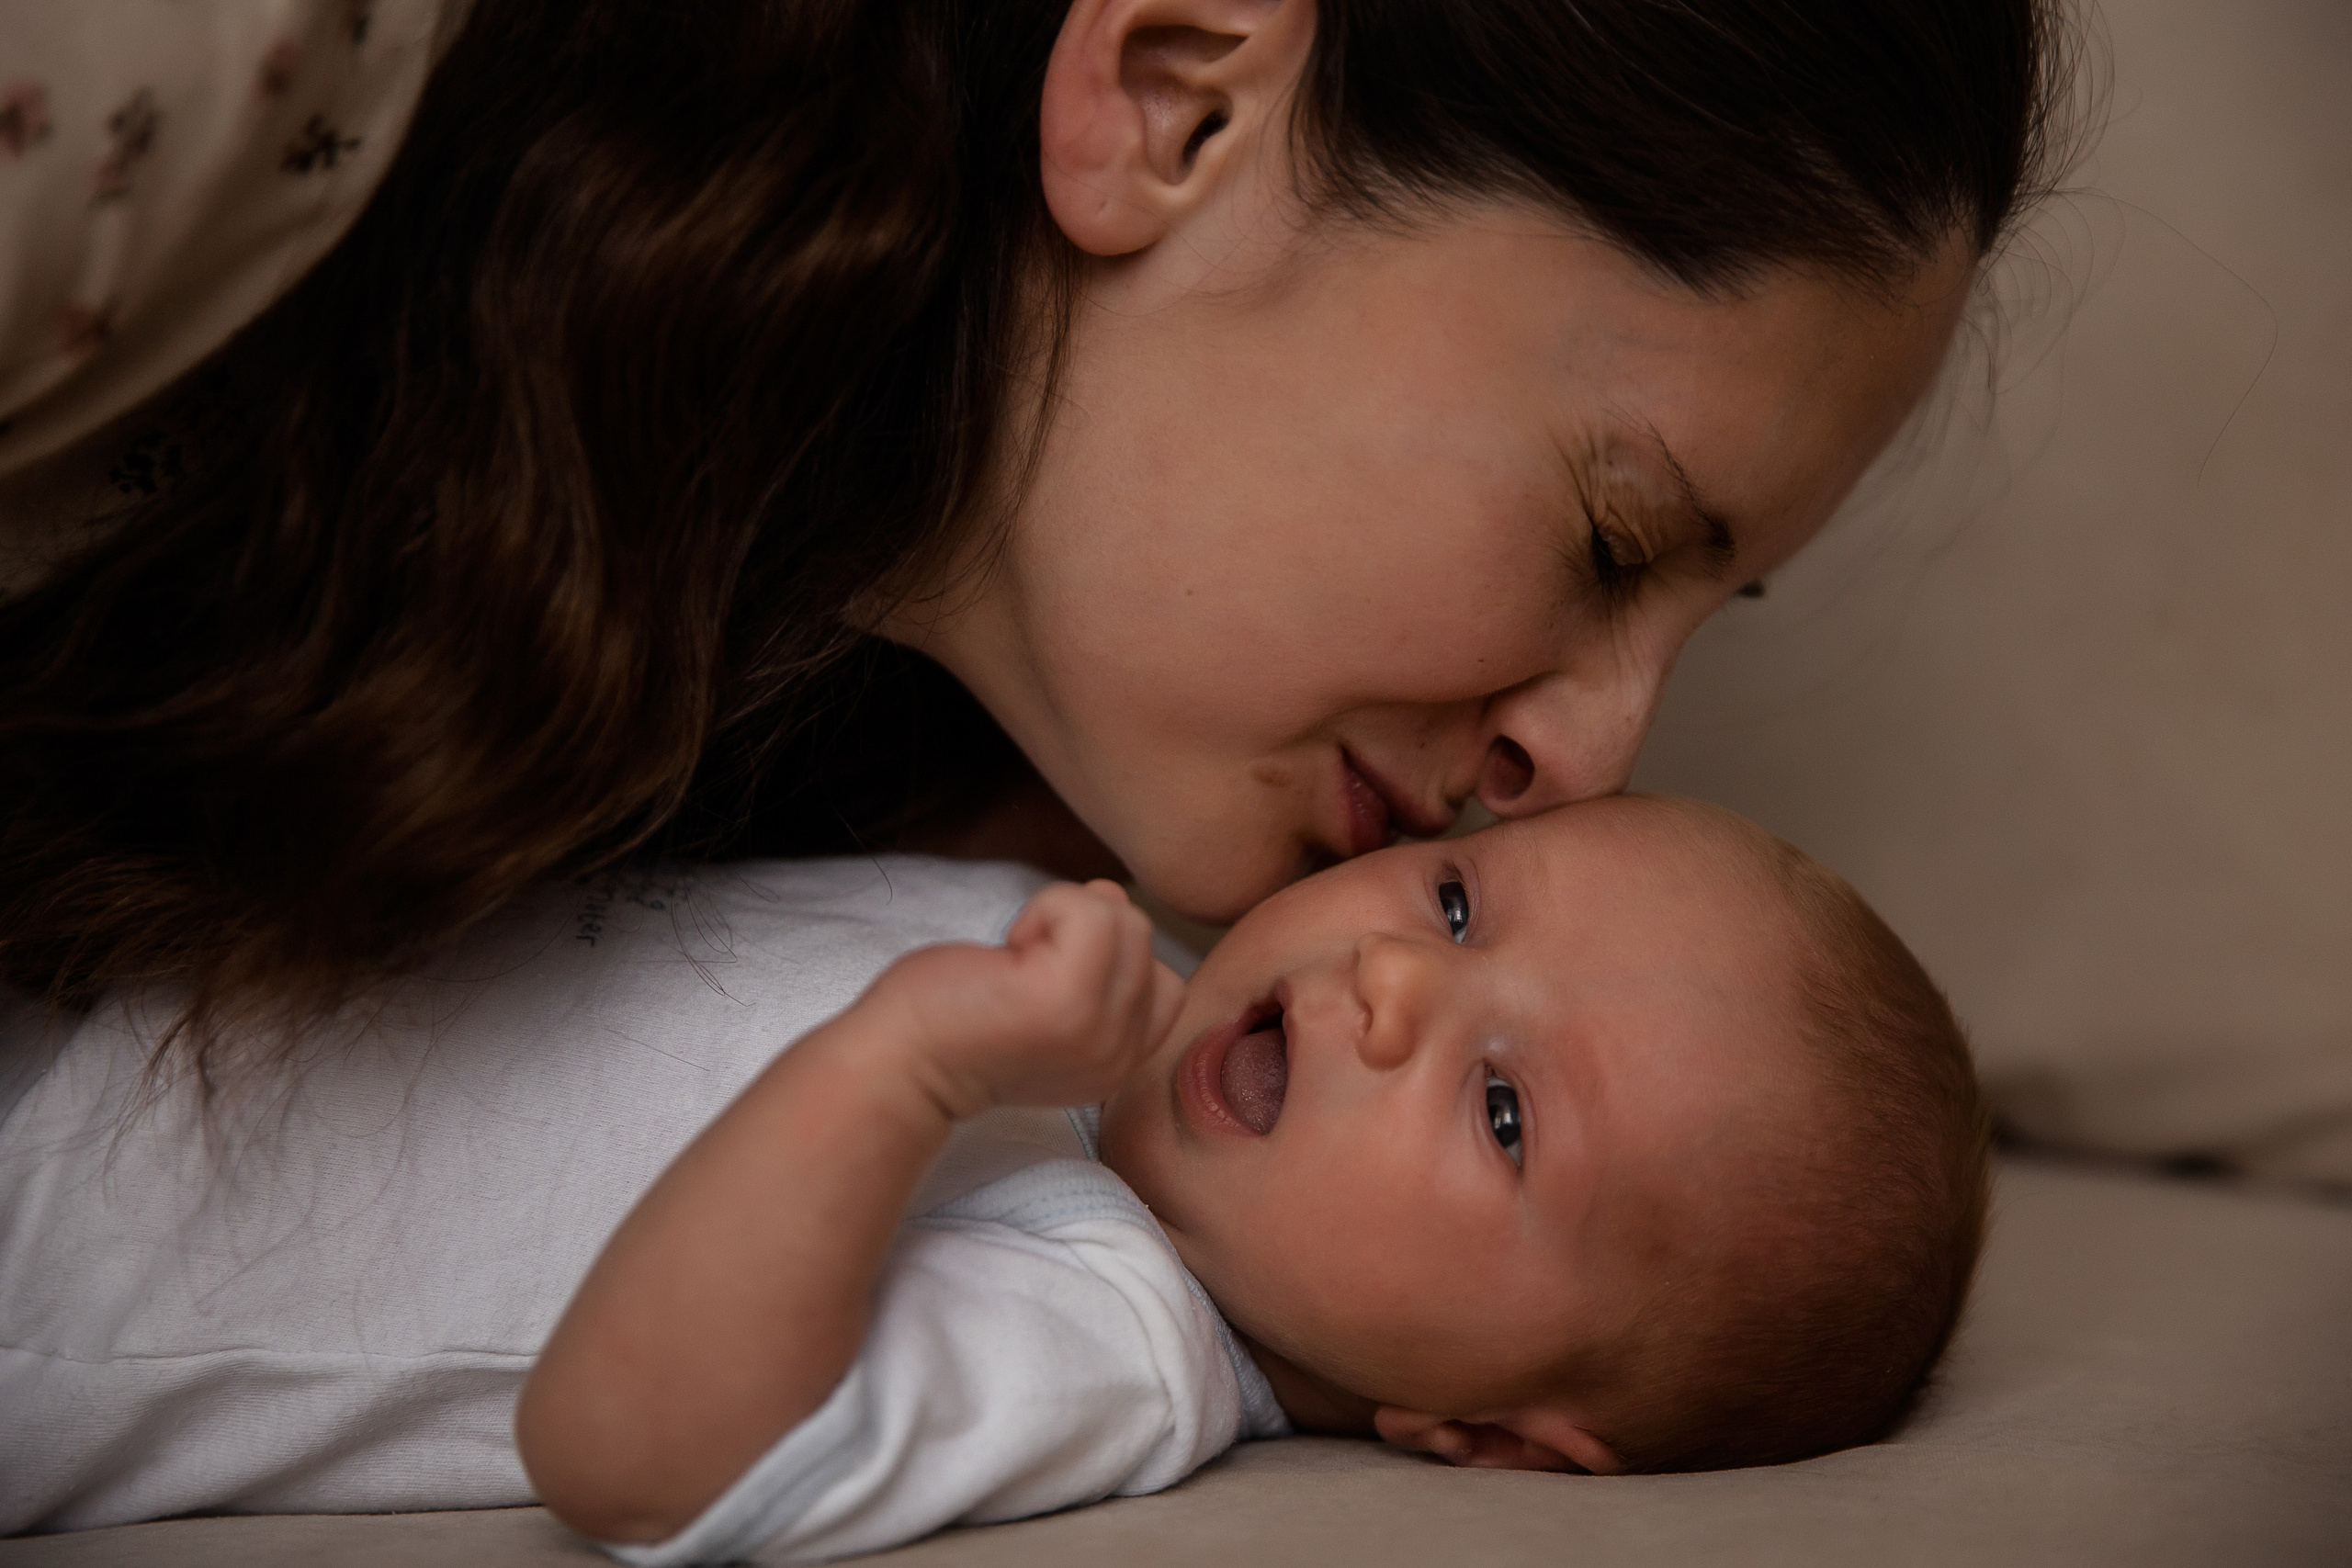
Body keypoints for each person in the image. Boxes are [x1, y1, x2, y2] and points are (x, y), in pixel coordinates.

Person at [0, 0, 2072, 1087]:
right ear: (1179, 98)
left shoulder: (850, 756)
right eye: (1618, 536)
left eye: (1700, 619)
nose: (1596, 762)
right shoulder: (192, 81)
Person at [0, 797, 1985, 1546]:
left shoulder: (1113, 1329)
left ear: (1486, 1432)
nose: (1389, 975)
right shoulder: (1133, 966)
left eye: (1500, 1112)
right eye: (1459, 897)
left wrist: (905, 1063)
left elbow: (628, 1451)